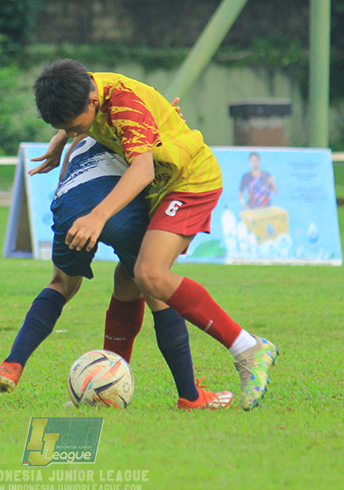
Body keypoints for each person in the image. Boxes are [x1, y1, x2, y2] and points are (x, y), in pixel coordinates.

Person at [31, 59, 279, 410]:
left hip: (189, 182)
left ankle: (248, 348)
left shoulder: (124, 104)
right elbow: (93, 123)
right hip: (164, 185)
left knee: (150, 274)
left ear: (91, 102)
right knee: (129, 278)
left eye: (74, 127)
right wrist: (60, 141)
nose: (73, 134)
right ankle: (106, 384)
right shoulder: (86, 88)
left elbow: (143, 169)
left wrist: (97, 216)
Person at [0, 136, 234, 409]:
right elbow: (154, 174)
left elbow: (64, 175)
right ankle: (190, 396)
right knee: (156, 290)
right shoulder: (139, 126)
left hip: (68, 201)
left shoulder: (84, 131)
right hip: (118, 207)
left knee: (64, 283)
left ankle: (13, 364)